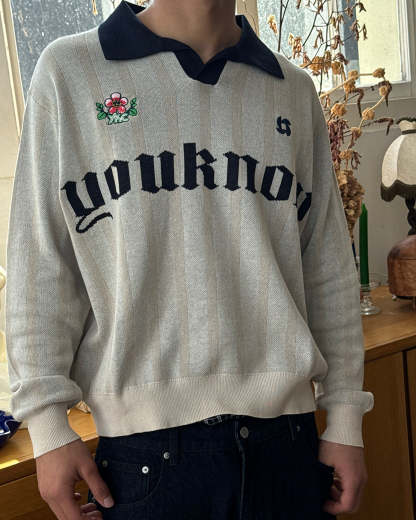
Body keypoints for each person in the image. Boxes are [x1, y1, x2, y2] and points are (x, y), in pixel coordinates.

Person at [5, 0, 374, 518]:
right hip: (143, 460)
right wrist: (47, 424)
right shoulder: (71, 72)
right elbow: (41, 264)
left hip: (286, 447)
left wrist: (346, 415)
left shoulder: (291, 89)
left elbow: (327, 269)